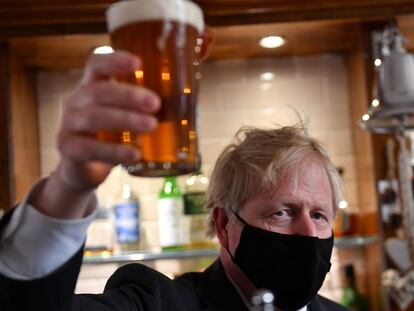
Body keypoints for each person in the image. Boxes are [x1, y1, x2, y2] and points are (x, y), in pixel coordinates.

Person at [0, 51, 351, 311]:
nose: (308, 233)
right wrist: (69, 186)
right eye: (282, 213)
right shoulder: (158, 302)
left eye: (319, 215)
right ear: (223, 223)